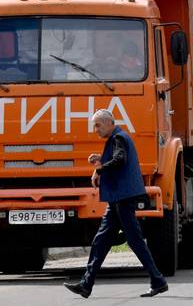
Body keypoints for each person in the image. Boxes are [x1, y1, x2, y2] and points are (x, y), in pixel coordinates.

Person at [63, 109, 168, 298]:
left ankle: (158, 280)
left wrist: (100, 169)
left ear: (109, 123)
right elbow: (117, 158)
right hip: (117, 199)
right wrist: (101, 159)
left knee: (134, 241)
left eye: (98, 125)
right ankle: (86, 284)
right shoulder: (117, 138)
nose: (95, 130)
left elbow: (120, 159)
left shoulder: (118, 138)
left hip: (122, 198)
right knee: (101, 241)